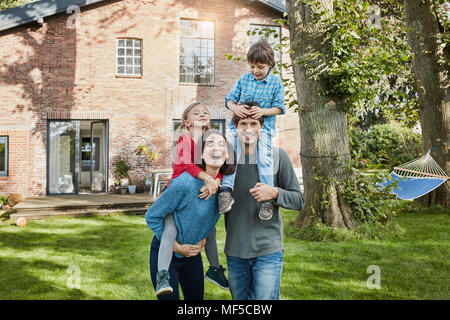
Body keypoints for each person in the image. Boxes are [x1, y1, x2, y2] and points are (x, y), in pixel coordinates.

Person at [224, 108, 304, 300]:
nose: (248, 129)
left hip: (268, 250)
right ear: (235, 127)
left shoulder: (278, 157)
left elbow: (298, 200)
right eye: (243, 124)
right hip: (235, 249)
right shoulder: (226, 160)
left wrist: (274, 192)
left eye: (254, 124)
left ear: (261, 126)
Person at [146, 129, 236, 300]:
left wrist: (202, 238)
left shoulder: (224, 190)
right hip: (166, 253)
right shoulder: (185, 184)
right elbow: (152, 216)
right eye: (209, 143)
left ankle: (214, 270)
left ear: (228, 154)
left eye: (221, 144)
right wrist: (176, 247)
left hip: (193, 257)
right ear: (200, 154)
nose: (216, 148)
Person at [220, 37, 285, 221]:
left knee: (264, 157)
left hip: (263, 129)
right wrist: (235, 108)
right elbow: (229, 100)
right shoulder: (244, 80)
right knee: (231, 153)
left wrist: (263, 111)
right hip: (240, 128)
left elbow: (279, 108)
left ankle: (267, 200)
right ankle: (225, 192)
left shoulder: (276, 83)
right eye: (252, 66)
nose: (255, 71)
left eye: (260, 67)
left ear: (270, 65)